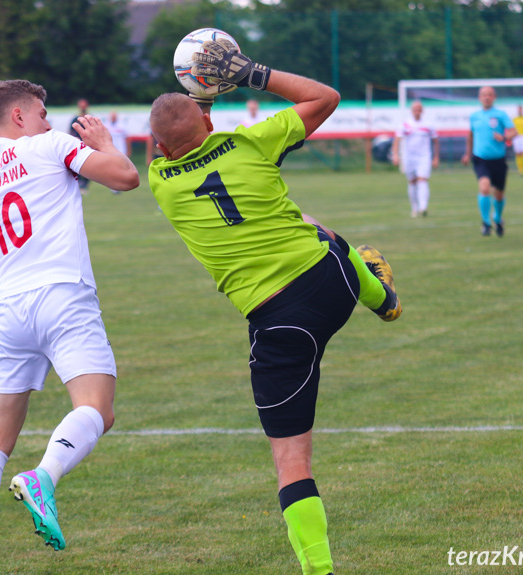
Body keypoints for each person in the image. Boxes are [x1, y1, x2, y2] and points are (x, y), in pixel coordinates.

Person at [149, 40, 401, 575]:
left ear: (158, 148)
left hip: (280, 322)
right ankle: (380, 295)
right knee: (310, 226)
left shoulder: (161, 183)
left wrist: (198, 98)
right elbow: (326, 97)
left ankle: (319, 569)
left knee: (291, 460)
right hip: (331, 279)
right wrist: (249, 74)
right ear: (207, 122)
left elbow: (184, 142)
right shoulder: (250, 144)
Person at [0, 79, 139, 575]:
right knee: (97, 408)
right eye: (43, 111)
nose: (50, 120)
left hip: (10, 310)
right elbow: (125, 178)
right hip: (63, 295)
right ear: (18, 118)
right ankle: (43, 477)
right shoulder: (50, 146)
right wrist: (105, 145)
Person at [461, 86, 516, 237]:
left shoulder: (500, 114)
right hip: (480, 159)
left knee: (498, 194)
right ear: (479, 97)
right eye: (484, 95)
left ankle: (497, 218)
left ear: (494, 97)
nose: (487, 97)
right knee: (484, 188)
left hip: (498, 160)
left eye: (489, 95)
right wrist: (467, 154)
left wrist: (504, 138)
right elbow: (470, 135)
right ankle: (486, 223)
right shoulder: (475, 116)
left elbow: (513, 131)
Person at [391, 100, 439, 217]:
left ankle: (423, 207)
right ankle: (415, 208)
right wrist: (396, 155)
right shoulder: (406, 124)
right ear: (411, 111)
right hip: (409, 157)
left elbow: (436, 141)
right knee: (412, 182)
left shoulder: (428, 125)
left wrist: (436, 157)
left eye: (419, 109)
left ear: (422, 111)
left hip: (424, 157)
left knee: (422, 179)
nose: (417, 111)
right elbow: (397, 140)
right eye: (415, 109)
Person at [69, 98, 91, 192]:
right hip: (77, 145)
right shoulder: (75, 119)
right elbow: (71, 132)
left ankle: (85, 183)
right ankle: (78, 182)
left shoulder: (90, 119)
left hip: (87, 146)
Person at [106, 111, 131, 194]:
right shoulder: (106, 126)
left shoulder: (122, 126)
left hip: (121, 150)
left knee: (121, 168)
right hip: (110, 150)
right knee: (111, 168)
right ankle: (113, 186)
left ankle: (120, 185)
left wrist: (128, 150)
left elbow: (127, 138)